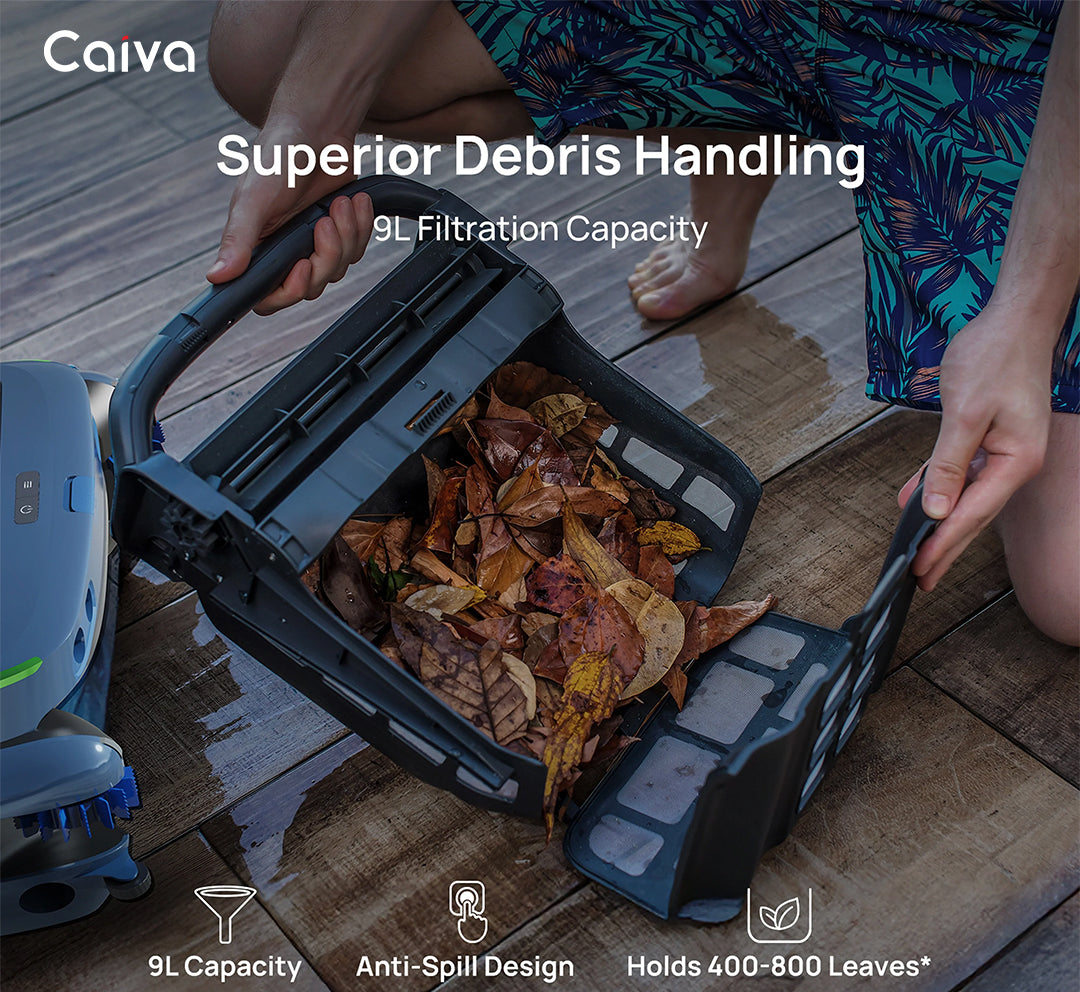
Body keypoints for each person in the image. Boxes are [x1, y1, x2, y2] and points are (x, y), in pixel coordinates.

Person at [206, 0, 1079, 646]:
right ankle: (739, 132)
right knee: (264, 51)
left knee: (1068, 589)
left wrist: (1028, 308)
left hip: (999, 38)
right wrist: (308, 126)